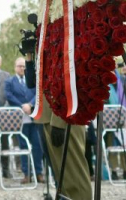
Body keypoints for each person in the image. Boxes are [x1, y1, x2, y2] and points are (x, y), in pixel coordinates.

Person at [25, 52, 92, 200]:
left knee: (74, 176)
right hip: (45, 117)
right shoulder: (43, 37)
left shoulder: (59, 33)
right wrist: (29, 59)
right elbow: (32, 83)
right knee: (60, 179)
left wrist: (59, 120)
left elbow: (68, 78)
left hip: (62, 118)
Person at [4, 57, 44, 183]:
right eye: (19, 66)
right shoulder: (9, 81)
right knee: (23, 146)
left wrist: (30, 105)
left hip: (33, 117)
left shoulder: (32, 80)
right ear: (15, 67)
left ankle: (39, 173)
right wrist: (22, 106)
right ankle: (27, 173)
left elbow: (38, 93)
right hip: (20, 118)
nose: (22, 68)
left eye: (23, 66)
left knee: (37, 145)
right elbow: (9, 95)